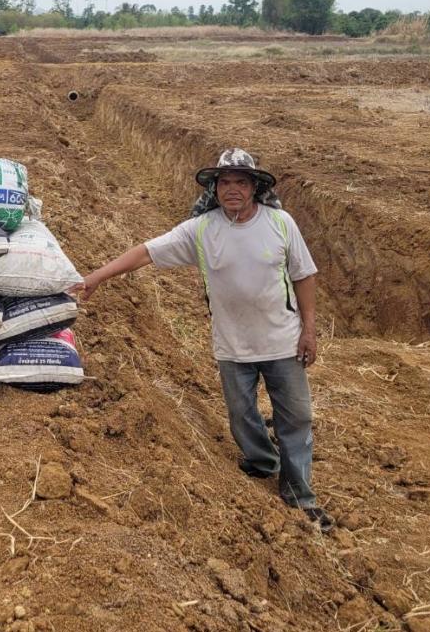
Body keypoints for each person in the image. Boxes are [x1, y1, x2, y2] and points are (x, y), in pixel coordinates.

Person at [76, 148, 333, 532]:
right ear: (215, 189)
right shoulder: (202, 229)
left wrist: (309, 330)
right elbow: (146, 252)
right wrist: (97, 276)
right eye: (225, 183)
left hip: (282, 341)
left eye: (240, 182)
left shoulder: (281, 223)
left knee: (295, 418)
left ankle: (300, 496)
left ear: (255, 188)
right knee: (242, 416)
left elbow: (304, 276)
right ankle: (263, 461)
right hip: (232, 344)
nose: (232, 190)